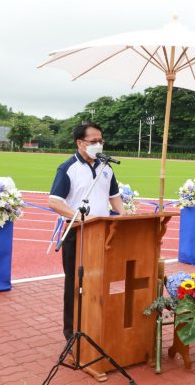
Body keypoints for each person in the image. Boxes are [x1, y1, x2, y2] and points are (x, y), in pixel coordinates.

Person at [48, 123, 128, 341]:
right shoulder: (68, 168)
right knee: (74, 284)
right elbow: (54, 202)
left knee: (99, 281)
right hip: (77, 232)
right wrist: (82, 217)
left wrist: (123, 214)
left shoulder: (106, 168)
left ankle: (96, 326)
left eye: (101, 141)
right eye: (94, 141)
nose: (99, 145)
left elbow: (114, 196)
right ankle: (72, 333)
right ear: (80, 143)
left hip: (102, 234)